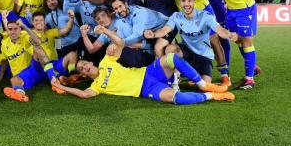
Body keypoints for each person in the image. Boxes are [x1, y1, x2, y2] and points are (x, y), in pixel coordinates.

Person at [50, 27, 234, 104]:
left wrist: (105, 31)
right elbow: (83, 94)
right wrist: (61, 86)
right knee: (175, 99)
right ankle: (213, 96)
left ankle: (204, 85)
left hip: (149, 72)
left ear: (90, 62)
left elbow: (120, 44)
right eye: (81, 69)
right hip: (147, 88)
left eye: (84, 64)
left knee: (170, 58)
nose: (84, 67)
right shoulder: (96, 87)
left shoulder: (106, 61)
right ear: (83, 74)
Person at [145, 0, 239, 84]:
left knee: (204, 86)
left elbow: (219, 30)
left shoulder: (205, 16)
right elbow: (164, 30)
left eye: (189, 1)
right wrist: (153, 34)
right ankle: (173, 79)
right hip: (187, 53)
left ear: (194, 2)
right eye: (183, 1)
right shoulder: (176, 16)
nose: (186, 4)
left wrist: (229, 34)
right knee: (171, 48)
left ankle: (195, 75)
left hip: (204, 56)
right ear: (180, 2)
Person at [215, 0, 259, 90]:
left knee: (246, 40)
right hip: (231, 9)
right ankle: (252, 66)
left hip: (244, 8)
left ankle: (249, 79)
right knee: (237, 39)